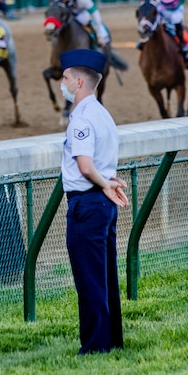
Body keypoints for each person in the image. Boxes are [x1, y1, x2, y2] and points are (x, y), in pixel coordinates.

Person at [59, 48, 129, 354]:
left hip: (87, 205)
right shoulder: (103, 114)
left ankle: (94, 348)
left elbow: (86, 167)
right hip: (102, 206)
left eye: (65, 78)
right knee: (105, 278)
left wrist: (104, 185)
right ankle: (112, 340)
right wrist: (108, 183)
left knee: (90, 282)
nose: (61, 83)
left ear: (78, 83)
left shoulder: (81, 120)